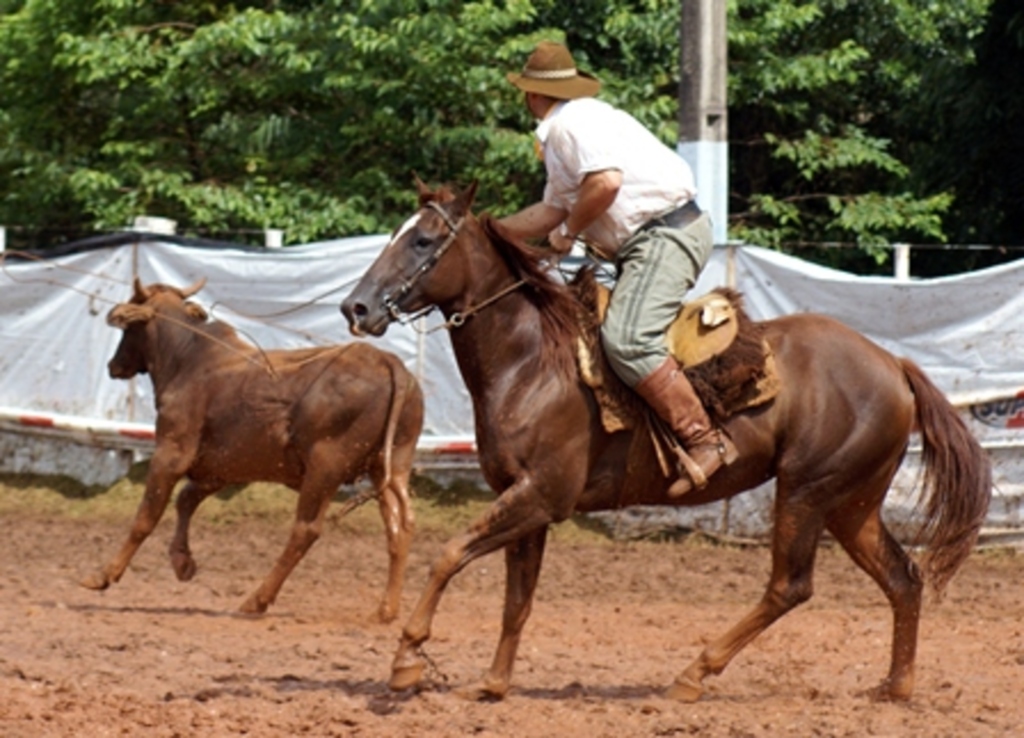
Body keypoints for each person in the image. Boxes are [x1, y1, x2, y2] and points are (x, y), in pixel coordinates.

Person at [499, 40, 737, 494]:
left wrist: (570, 231)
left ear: (531, 95)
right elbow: (549, 210)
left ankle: (706, 439)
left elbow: (605, 184)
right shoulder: (581, 122)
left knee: (627, 339)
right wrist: (488, 231)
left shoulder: (568, 128)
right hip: (656, 236)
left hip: (663, 236)